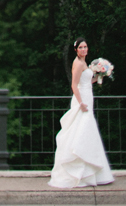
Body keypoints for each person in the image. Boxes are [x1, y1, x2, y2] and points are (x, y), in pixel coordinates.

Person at [48, 38, 114, 188]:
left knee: (88, 132)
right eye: (81, 47)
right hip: (81, 100)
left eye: (85, 47)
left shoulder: (85, 64)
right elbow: (74, 85)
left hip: (88, 97)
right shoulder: (77, 64)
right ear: (76, 50)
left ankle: (90, 171)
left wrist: (100, 75)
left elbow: (86, 81)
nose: (84, 49)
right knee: (80, 131)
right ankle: (78, 172)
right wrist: (81, 103)